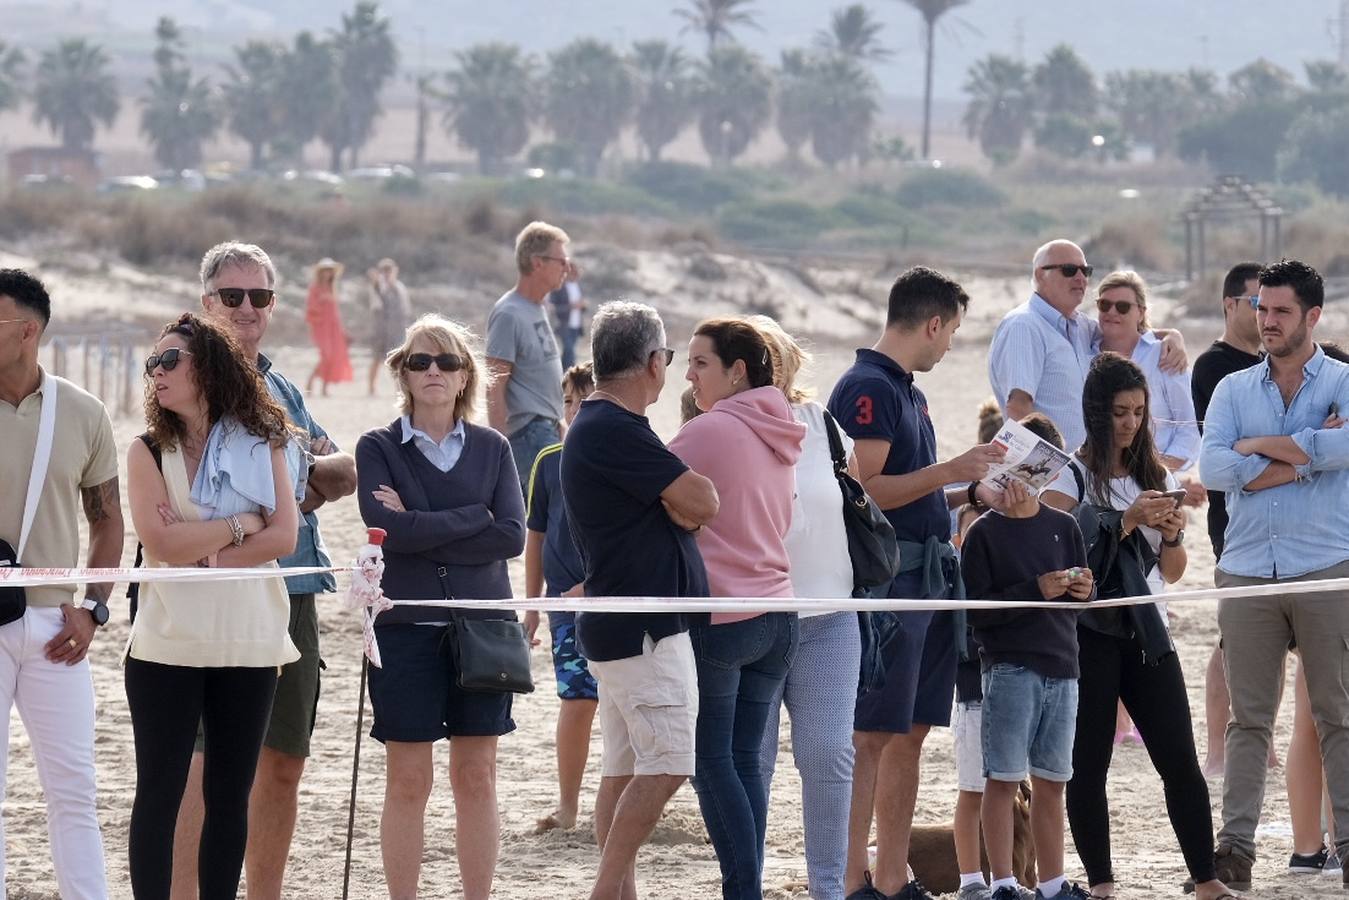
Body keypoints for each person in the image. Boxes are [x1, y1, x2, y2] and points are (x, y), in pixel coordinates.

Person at [177, 240, 357, 900]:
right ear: (207, 303)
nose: (247, 308)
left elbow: (344, 469)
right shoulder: (186, 381)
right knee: (203, 764)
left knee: (283, 762)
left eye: (260, 295)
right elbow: (206, 493)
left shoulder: (282, 388)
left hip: (296, 586)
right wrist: (294, 486)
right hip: (216, 591)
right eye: (233, 296)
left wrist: (288, 487)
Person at [827, 266, 1008, 900]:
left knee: (910, 731)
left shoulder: (904, 389)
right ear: (932, 323)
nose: (951, 344)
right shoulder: (868, 388)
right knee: (872, 734)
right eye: (952, 330)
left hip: (925, 577)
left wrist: (971, 492)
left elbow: (912, 493)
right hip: (890, 582)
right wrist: (950, 470)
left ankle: (890, 875)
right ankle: (853, 879)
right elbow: (863, 491)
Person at [1042, 353, 1231, 900]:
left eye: (1139, 412)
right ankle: (1101, 883)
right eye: (1120, 412)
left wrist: (1171, 533)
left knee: (1180, 759)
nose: (1130, 423)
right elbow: (1061, 558)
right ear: (1096, 412)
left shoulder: (1157, 476)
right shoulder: (1069, 477)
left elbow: (1172, 571)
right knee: (1088, 766)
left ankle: (1206, 879)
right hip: (1088, 634)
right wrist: (1126, 520)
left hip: (1148, 629)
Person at [125, 313, 301, 899]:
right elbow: (161, 544)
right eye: (152, 362)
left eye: (169, 360)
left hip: (249, 639)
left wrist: (204, 552)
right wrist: (239, 524)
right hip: (167, 642)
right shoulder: (147, 449)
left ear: (209, 367)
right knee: (159, 791)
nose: (157, 372)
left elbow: (285, 537)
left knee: (229, 795)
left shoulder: (263, 439)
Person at [355, 314, 526, 900]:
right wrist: (473, 516)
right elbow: (387, 532)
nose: (434, 370)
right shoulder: (377, 447)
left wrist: (417, 521)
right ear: (403, 372)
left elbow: (511, 536)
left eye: (447, 361)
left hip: (485, 629)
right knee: (408, 780)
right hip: (404, 629)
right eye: (420, 361)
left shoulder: (494, 447)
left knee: (477, 776)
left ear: (464, 376)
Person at [1198, 258, 1349, 892]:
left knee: (1338, 714)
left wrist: (1255, 446)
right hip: (1247, 569)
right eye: (1262, 308)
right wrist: (1307, 454)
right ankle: (1235, 849)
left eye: (1282, 311)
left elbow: (1346, 449)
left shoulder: (1344, 381)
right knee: (1248, 720)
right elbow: (1212, 470)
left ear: (1313, 315)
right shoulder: (1232, 389)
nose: (1267, 320)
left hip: (1326, 566)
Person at [560, 301, 718, 900]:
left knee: (623, 770)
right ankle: (606, 890)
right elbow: (703, 502)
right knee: (670, 763)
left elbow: (687, 508)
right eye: (669, 359)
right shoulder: (614, 428)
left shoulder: (604, 425)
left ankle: (618, 892)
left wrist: (678, 506)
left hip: (624, 623)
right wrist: (680, 506)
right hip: (644, 629)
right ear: (653, 362)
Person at [669, 317, 805, 900]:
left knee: (711, 762)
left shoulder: (709, 429)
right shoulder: (783, 427)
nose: (689, 374)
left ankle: (743, 890)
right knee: (746, 760)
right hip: (778, 614)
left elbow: (646, 491)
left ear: (737, 371)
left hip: (724, 618)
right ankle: (746, 888)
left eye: (700, 362)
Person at [0, 268, 122, 899]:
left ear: (28, 331)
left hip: (57, 628)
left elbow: (108, 521)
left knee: (75, 790)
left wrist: (94, 610)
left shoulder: (83, 411)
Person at [751, 316, 863, 900]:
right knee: (753, 760)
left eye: (771, 355)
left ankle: (828, 887)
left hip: (830, 612)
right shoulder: (718, 425)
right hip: (751, 619)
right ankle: (746, 881)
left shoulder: (823, 424)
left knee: (829, 754)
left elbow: (852, 501)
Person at [963, 413, 1095, 900]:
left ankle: (1052, 883)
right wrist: (1035, 590)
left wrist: (1083, 590)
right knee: (1002, 778)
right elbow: (977, 613)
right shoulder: (983, 533)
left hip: (1063, 666)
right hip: (1010, 666)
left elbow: (1082, 596)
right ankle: (1003, 882)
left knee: (1053, 781)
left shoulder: (1065, 525)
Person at [988, 239, 1186, 453]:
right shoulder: (1024, 326)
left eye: (1085, 271)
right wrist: (1039, 467)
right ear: (1040, 275)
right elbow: (1018, 408)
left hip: (1086, 467)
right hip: (1050, 468)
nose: (1080, 278)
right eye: (1069, 270)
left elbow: (1125, 330)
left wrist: (1171, 335)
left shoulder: (1079, 326)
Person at [1189, 261, 1264, 779]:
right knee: (1232, 637)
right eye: (1256, 303)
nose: (1264, 315)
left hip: (1271, 514)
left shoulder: (1269, 363)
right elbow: (1230, 448)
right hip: (1231, 514)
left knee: (1273, 638)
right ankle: (1218, 747)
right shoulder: (1215, 366)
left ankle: (1262, 743)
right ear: (1230, 304)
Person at [523, 362, 598, 834]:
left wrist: (593, 586)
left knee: (627, 706)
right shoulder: (548, 461)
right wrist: (532, 607)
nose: (574, 409)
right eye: (569, 400)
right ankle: (568, 806)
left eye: (584, 400)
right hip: (565, 610)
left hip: (618, 603)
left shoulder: (623, 455)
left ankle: (622, 805)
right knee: (577, 700)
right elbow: (535, 537)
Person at [487, 221, 570, 488]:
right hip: (527, 434)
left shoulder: (537, 307)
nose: (567, 268)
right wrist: (501, 449)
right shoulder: (509, 313)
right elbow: (494, 385)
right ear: (537, 263)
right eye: (561, 261)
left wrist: (557, 421)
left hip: (546, 429)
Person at [1095, 271, 1200, 472]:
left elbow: (1190, 425)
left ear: (1141, 312)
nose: (1112, 312)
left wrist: (1155, 471)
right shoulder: (1084, 350)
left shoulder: (1165, 355)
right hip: (1094, 477)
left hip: (1154, 477)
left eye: (1123, 307)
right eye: (1104, 305)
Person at [305, 257, 353, 396]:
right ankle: (310, 381)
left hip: (334, 328)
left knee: (333, 357)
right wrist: (321, 300)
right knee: (325, 356)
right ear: (320, 272)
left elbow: (335, 313)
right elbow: (310, 309)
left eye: (330, 270)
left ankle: (324, 388)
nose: (328, 273)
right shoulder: (315, 288)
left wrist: (342, 331)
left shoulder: (332, 287)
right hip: (321, 328)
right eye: (325, 270)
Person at [367, 257, 412, 396]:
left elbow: (405, 309)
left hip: (397, 330)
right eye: (384, 270)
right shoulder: (377, 287)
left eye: (389, 270)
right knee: (376, 359)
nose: (386, 273)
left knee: (398, 361)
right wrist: (377, 284)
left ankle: (399, 389)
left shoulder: (399, 287)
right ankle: (371, 388)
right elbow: (376, 306)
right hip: (381, 331)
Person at [549, 260, 586, 369]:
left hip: (576, 325)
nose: (575, 274)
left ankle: (563, 373)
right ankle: (570, 373)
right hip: (564, 325)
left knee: (568, 352)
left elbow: (582, 307)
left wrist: (582, 306)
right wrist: (571, 306)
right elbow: (554, 308)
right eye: (572, 272)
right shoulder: (559, 287)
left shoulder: (578, 286)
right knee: (569, 351)